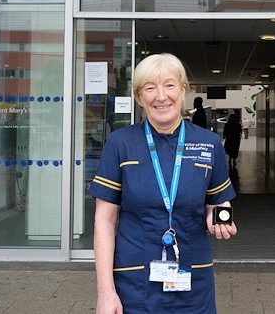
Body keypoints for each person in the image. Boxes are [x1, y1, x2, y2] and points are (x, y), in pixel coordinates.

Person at [88, 53, 237, 314]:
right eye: (150, 88)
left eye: (169, 85)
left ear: (182, 90)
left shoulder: (208, 143)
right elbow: (104, 220)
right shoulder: (120, 144)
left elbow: (217, 202)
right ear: (139, 96)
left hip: (193, 278)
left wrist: (220, 219)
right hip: (133, 280)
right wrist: (105, 292)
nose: (160, 96)